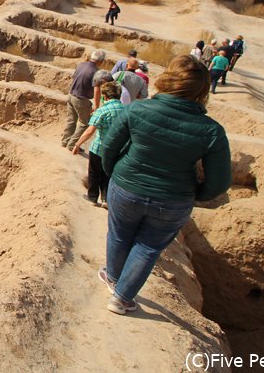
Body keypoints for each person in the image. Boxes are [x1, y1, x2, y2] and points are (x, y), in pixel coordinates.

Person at [99, 55, 231, 315]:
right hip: (173, 199)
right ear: (202, 90)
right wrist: (194, 194)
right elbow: (219, 182)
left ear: (167, 80)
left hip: (127, 186)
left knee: (119, 234)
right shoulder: (211, 130)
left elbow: (108, 148)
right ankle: (122, 298)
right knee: (148, 247)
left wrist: (116, 174)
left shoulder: (137, 110)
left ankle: (113, 277)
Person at [71, 81, 124, 207]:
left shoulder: (102, 110)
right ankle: (105, 199)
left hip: (99, 147)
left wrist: (77, 144)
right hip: (117, 149)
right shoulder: (126, 109)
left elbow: (90, 130)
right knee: (108, 174)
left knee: (94, 173)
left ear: (105, 96)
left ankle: (93, 197)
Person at [62, 50, 106, 151]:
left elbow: (74, 77)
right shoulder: (95, 72)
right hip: (81, 99)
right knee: (84, 123)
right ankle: (72, 145)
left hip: (71, 95)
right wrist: (96, 105)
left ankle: (65, 141)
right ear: (101, 61)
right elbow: (96, 89)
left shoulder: (81, 64)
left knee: (71, 120)